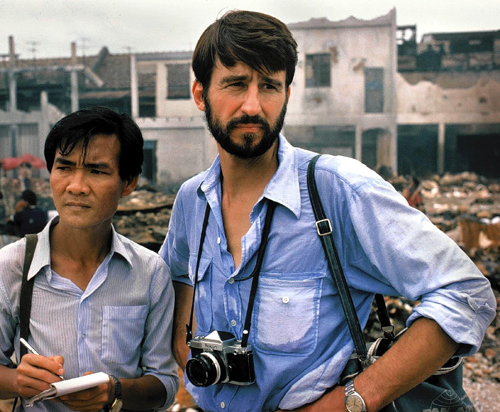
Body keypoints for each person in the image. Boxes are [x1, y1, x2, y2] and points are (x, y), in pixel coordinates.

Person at [159, 10, 496, 412]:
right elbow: (176, 278)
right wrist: (189, 360)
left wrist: (349, 401)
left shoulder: (338, 192)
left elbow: (465, 293)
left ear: (287, 94)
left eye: (269, 86)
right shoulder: (192, 201)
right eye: (236, 84)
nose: (252, 105)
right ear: (200, 94)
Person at [0, 107, 179, 412]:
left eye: (97, 171)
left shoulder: (150, 272)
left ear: (128, 183)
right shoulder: (8, 267)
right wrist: (17, 380)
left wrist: (114, 390)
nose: (76, 186)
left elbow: (164, 383)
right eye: (64, 167)